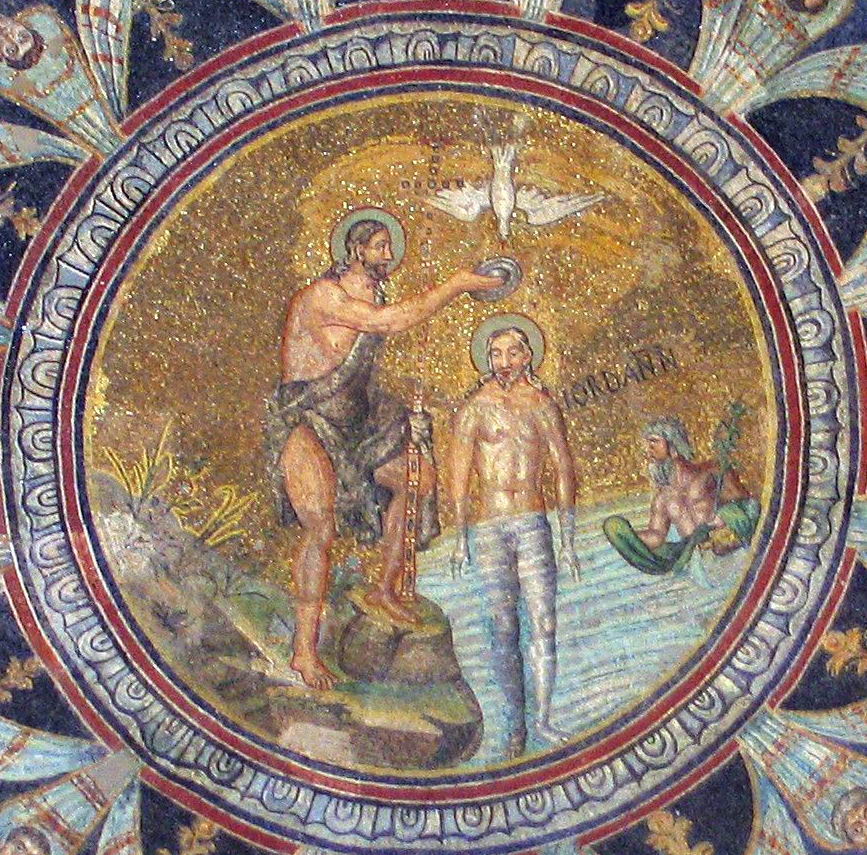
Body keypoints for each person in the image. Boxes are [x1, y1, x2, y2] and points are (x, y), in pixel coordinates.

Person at [270, 213, 502, 690]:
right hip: (308, 418)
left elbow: (375, 342)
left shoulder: (375, 293)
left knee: (418, 480)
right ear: (356, 251)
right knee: (320, 527)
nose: (388, 256)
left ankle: (385, 589)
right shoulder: (324, 296)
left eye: (389, 247)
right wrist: (456, 285)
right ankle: (304, 652)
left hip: (359, 421)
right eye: (379, 246)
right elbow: (387, 322)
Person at [450, 316, 577, 757]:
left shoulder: (542, 405)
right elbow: (459, 476)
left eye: (512, 352)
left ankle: (542, 719)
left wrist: (567, 538)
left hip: (533, 522)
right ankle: (515, 726)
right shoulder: (475, 408)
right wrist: (460, 538)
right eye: (496, 354)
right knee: (503, 628)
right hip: (489, 527)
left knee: (543, 622)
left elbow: (563, 468)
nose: (503, 361)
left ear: (528, 356)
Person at [603, 416, 760, 576]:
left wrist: (725, 518)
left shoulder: (711, 471)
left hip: (729, 548)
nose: (648, 449)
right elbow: (657, 535)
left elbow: (745, 503)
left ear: (672, 443)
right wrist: (628, 537)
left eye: (654, 441)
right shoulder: (663, 497)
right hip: (698, 559)